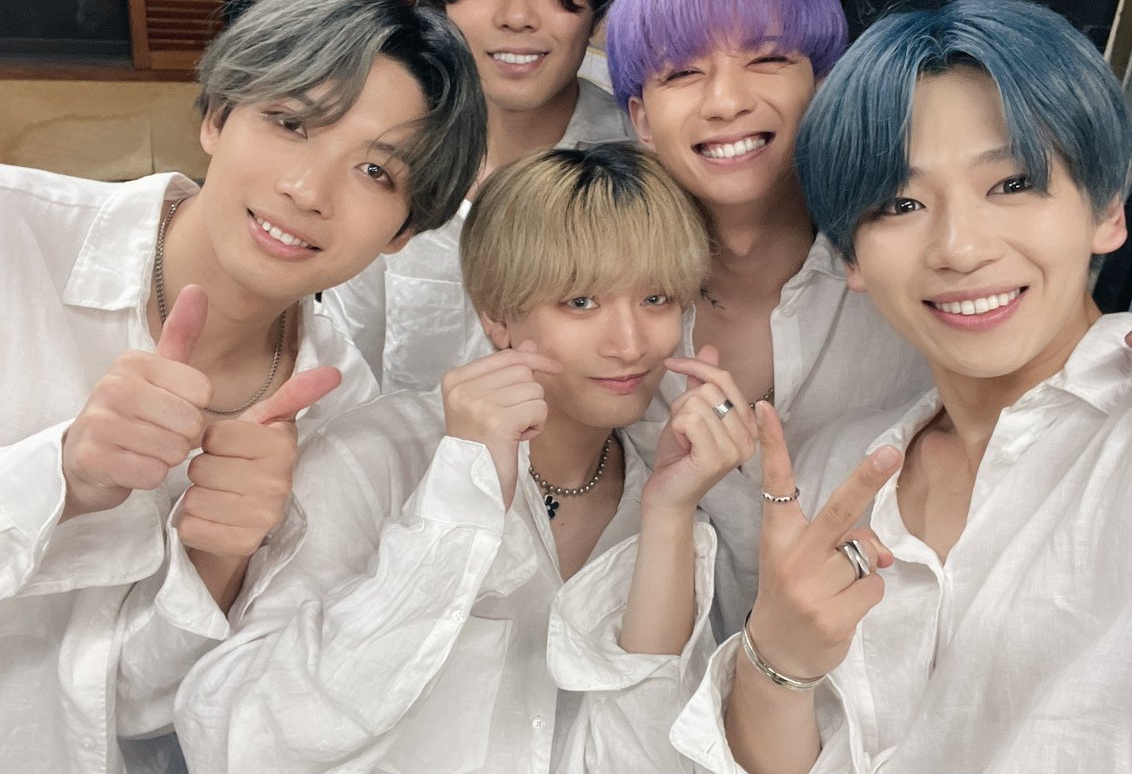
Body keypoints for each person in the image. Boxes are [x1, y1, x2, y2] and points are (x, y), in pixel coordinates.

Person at [603, 0, 1132, 641]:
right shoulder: (603, 295)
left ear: (826, 84)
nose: (726, 101)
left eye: (767, 58)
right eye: (681, 73)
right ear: (640, 117)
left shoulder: (912, 277)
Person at [674, 0, 1132, 772]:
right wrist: (776, 661)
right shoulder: (835, 469)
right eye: (902, 203)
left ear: (1107, 209)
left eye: (1013, 184)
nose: (959, 247)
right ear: (850, 258)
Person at [0, 0, 485, 773]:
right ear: (217, 117)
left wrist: (217, 561)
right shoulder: (15, 237)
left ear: (403, 232)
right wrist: (64, 477)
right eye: (291, 123)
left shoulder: (338, 418)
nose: (307, 190)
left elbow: (139, 713)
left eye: (376, 172)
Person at [174, 144, 751, 773]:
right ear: (497, 317)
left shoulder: (674, 493)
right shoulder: (375, 456)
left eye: (657, 299)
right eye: (581, 302)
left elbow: (651, 761)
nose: (630, 344)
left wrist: (668, 517)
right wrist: (457, 504)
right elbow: (236, 741)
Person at [321, 0, 635, 394]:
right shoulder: (387, 156)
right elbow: (344, 361)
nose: (516, 16)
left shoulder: (640, 163)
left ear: (600, 4)